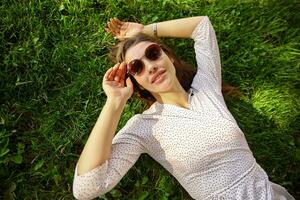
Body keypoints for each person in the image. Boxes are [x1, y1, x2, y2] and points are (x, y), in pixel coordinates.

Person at [72, 16, 295, 200]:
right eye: (137, 67)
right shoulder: (144, 127)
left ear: (167, 56)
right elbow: (86, 189)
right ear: (136, 83)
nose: (150, 67)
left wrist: (145, 30)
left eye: (152, 54)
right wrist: (114, 103)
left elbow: (202, 26)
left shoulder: (206, 86)